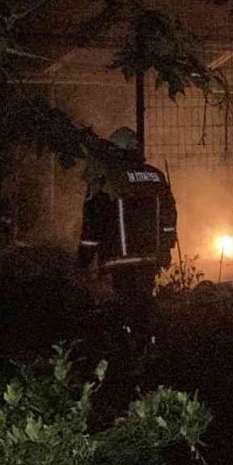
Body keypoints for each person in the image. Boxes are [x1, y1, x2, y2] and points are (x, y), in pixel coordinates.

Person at [77, 128, 177, 338]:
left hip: (118, 260)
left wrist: (82, 262)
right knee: (144, 304)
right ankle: (148, 343)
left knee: (124, 307)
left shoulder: (106, 179)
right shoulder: (156, 176)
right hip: (149, 258)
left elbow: (93, 225)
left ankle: (130, 345)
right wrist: (166, 248)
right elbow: (168, 218)